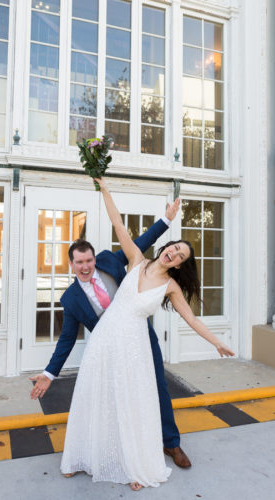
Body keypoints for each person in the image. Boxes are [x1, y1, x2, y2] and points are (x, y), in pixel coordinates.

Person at [58, 178, 234, 490]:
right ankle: (81, 457)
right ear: (166, 247)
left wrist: (218, 342)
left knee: (133, 401)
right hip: (105, 340)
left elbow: (192, 319)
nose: (174, 255)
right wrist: (104, 189)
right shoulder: (136, 261)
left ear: (179, 266)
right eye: (174, 248)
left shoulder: (171, 287)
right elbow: (118, 223)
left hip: (135, 345)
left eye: (180, 257)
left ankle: (133, 466)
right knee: (95, 394)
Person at [30, 194, 191, 470]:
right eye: (79, 263)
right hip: (110, 348)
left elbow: (142, 241)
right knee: (116, 394)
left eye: (88, 261)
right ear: (71, 264)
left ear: (95, 258)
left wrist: (167, 219)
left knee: (158, 386)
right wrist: (48, 373)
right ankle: (116, 447)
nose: (85, 267)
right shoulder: (70, 299)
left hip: (141, 336)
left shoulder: (109, 261)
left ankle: (171, 442)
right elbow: (67, 339)